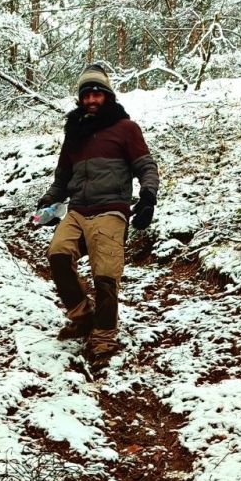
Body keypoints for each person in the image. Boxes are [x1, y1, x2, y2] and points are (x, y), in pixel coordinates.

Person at [36, 64, 160, 369]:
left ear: (107, 96)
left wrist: (147, 197)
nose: (91, 99)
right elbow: (62, 178)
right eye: (86, 95)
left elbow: (146, 167)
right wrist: (48, 202)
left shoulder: (126, 129)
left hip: (111, 210)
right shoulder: (74, 134)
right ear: (80, 99)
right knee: (58, 255)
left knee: (105, 275)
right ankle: (82, 317)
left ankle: (104, 335)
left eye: (96, 94)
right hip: (78, 210)